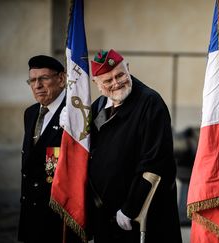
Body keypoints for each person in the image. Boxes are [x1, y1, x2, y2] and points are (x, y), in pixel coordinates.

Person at [87, 49, 182, 243]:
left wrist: (130, 209)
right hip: (105, 214)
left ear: (128, 68)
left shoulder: (150, 103)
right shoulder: (98, 107)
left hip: (139, 217)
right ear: (97, 84)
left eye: (120, 74)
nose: (116, 83)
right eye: (108, 80)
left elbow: (155, 162)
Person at [20, 55, 81, 242]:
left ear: (61, 79)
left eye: (43, 78)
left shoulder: (76, 114)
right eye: (32, 80)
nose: (37, 85)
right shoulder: (31, 113)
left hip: (59, 219)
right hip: (32, 213)